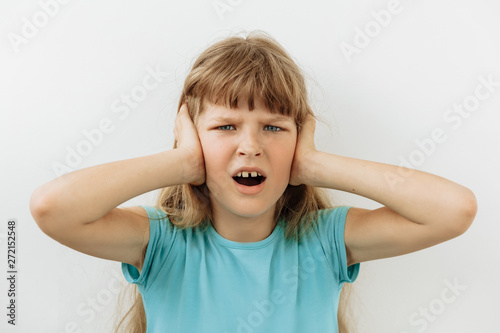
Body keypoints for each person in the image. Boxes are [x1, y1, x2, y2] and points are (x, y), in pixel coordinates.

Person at [29, 31, 477, 333]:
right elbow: (53, 208)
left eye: (274, 127)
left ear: (300, 140)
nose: (250, 146)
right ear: (191, 137)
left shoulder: (323, 242)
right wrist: (183, 161)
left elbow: (453, 210)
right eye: (226, 127)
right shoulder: (162, 243)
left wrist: (313, 166)